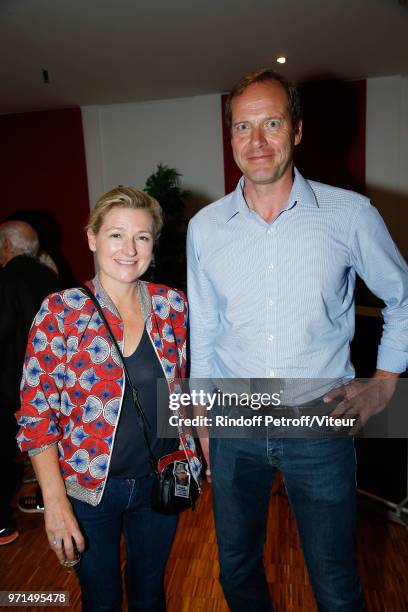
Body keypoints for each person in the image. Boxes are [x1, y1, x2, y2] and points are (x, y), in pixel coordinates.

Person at [187, 68, 408, 611]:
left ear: (297, 130)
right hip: (236, 418)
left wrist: (382, 386)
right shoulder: (206, 227)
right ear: (231, 137)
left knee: (334, 583)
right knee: (236, 570)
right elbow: (206, 327)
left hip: (319, 418)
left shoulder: (350, 214)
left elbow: (403, 298)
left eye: (271, 123)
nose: (256, 141)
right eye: (243, 127)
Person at [16, 187, 201, 611]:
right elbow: (36, 414)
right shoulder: (61, 311)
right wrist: (55, 502)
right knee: (100, 600)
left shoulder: (172, 305)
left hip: (162, 477)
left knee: (150, 594)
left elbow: (182, 388)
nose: (130, 249)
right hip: (89, 490)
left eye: (142, 236)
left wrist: (199, 445)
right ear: (92, 238)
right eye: (116, 235)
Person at [0, 220, 59, 545]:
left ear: (7, 246)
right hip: (53, 379)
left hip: (15, 385)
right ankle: (42, 497)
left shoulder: (7, 280)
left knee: (5, 452)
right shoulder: (48, 276)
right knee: (49, 440)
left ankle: (2, 525)